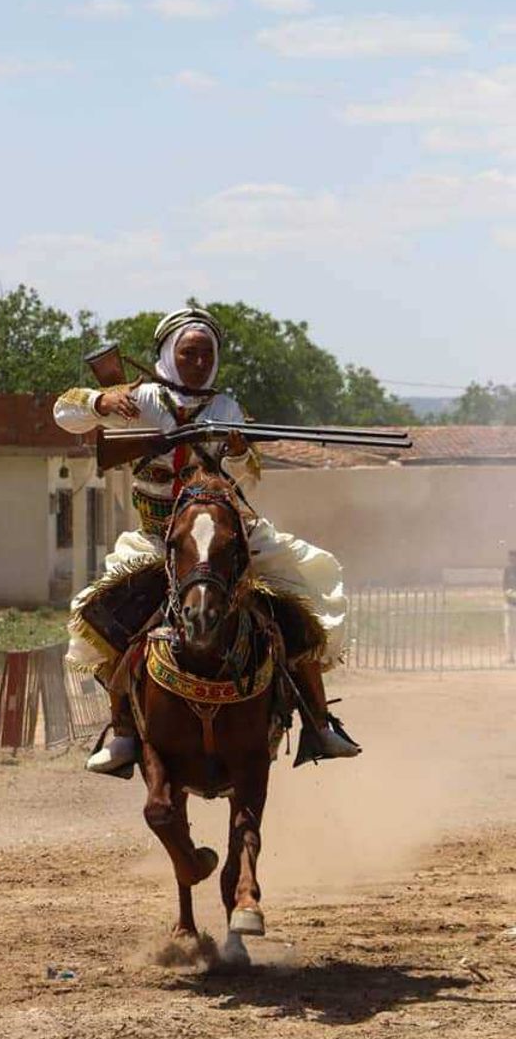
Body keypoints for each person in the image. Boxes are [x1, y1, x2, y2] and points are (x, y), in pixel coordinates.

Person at [53, 307, 361, 773]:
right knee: (99, 614)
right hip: (157, 537)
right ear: (168, 354)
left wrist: (238, 451)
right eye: (188, 353)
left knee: (309, 582)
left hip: (223, 535)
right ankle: (122, 732)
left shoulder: (226, 408)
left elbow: (248, 477)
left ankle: (319, 722)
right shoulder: (140, 397)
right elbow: (65, 411)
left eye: (205, 354)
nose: (197, 362)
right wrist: (101, 403)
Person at [504, 550, 516, 663]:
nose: (512, 560)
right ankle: (510, 655)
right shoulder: (507, 570)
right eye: (510, 558)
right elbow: (505, 586)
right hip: (509, 604)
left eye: (513, 558)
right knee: (509, 629)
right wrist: (510, 593)